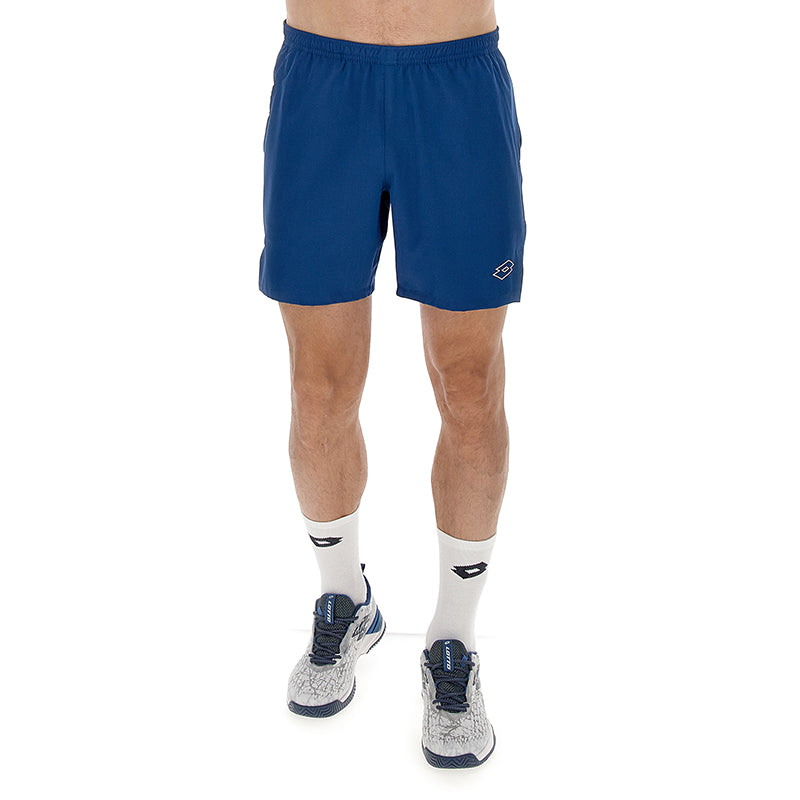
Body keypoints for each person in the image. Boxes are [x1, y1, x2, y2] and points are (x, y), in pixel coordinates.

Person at [259, 0, 525, 769]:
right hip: (324, 79)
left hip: (454, 84)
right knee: (318, 388)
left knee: (470, 384)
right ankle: (345, 599)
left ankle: (453, 641)